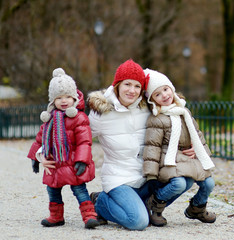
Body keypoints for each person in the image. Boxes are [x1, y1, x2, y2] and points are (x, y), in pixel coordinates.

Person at [87, 59, 194, 230]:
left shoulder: (148, 108)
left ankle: (146, 205)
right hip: (120, 180)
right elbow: (77, 137)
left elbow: (174, 125)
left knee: (186, 179)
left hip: (148, 176)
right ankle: (100, 202)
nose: (132, 90)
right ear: (117, 85)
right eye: (127, 84)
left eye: (137, 86)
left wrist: (192, 146)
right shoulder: (101, 113)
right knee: (138, 222)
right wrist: (43, 152)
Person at [142, 68, 217, 227]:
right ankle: (155, 206)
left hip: (188, 157)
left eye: (165, 89)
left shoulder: (184, 111)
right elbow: (152, 147)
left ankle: (197, 208)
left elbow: (197, 134)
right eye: (157, 94)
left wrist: (198, 150)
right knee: (180, 184)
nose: (164, 95)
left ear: (171, 88)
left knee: (209, 183)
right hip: (169, 159)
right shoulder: (157, 119)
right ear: (152, 100)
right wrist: (151, 173)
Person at [27, 68, 99, 229]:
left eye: (68, 96)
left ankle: (89, 216)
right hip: (54, 162)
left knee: (79, 190)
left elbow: (84, 142)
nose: (64, 100)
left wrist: (81, 160)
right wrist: (35, 158)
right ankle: (56, 216)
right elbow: (40, 140)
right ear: (53, 101)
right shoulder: (49, 119)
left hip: (73, 162)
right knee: (52, 190)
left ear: (74, 98)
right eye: (59, 98)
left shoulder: (79, 118)